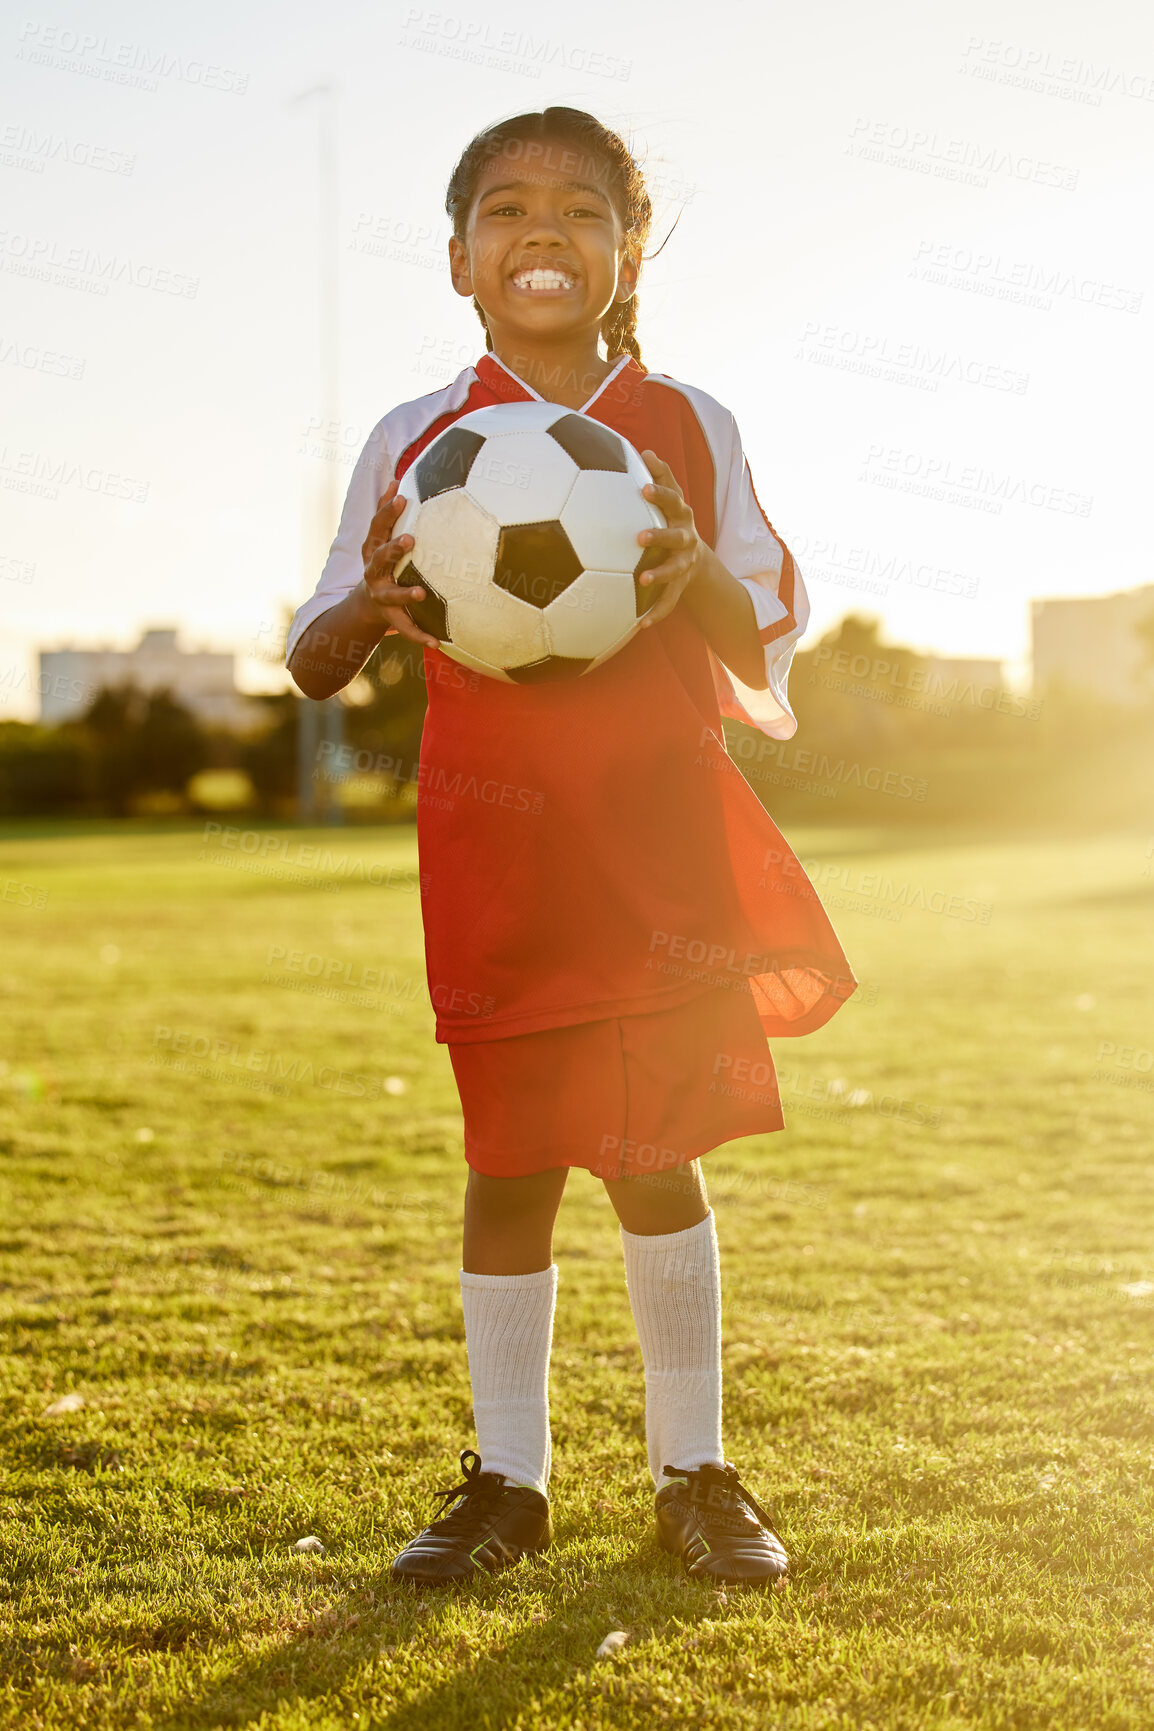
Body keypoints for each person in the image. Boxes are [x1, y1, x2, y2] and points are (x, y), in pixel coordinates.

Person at [286, 107, 856, 1588]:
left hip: (657, 848)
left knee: (654, 1149)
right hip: (497, 846)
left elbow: (760, 624)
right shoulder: (416, 440)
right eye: (507, 211)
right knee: (512, 1161)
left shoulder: (688, 425)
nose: (544, 232)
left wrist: (678, 582)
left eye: (582, 212)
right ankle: (506, 1481)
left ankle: (696, 1473)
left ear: (628, 251)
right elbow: (310, 652)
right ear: (461, 260)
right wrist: (362, 617)